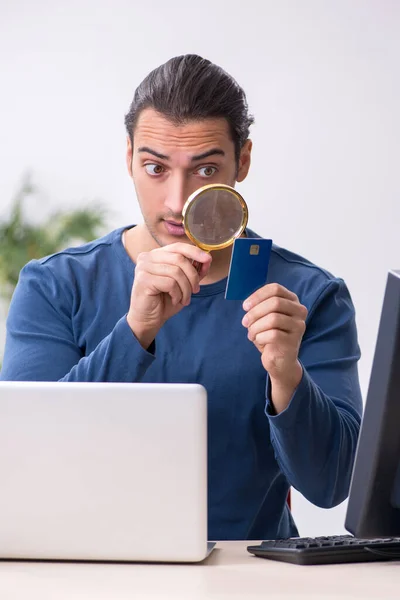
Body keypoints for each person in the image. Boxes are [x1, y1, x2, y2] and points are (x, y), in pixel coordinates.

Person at [0, 54, 363, 541]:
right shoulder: (56, 285)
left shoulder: (310, 297)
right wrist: (135, 331)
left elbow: (331, 485)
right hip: (85, 568)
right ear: (128, 157)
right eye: (155, 167)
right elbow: (26, 461)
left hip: (250, 574)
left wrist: (287, 376)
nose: (176, 201)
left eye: (205, 169)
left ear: (244, 161)